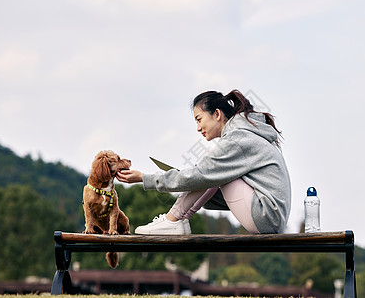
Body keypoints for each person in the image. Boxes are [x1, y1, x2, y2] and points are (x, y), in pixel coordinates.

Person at [116, 90, 291, 235]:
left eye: (199, 119)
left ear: (217, 114)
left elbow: (203, 175)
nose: (198, 127)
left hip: (265, 216)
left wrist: (144, 178)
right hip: (269, 216)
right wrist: (190, 187)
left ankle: (173, 220)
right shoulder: (243, 135)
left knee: (209, 169)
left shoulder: (237, 139)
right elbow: (206, 179)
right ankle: (179, 220)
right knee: (209, 172)